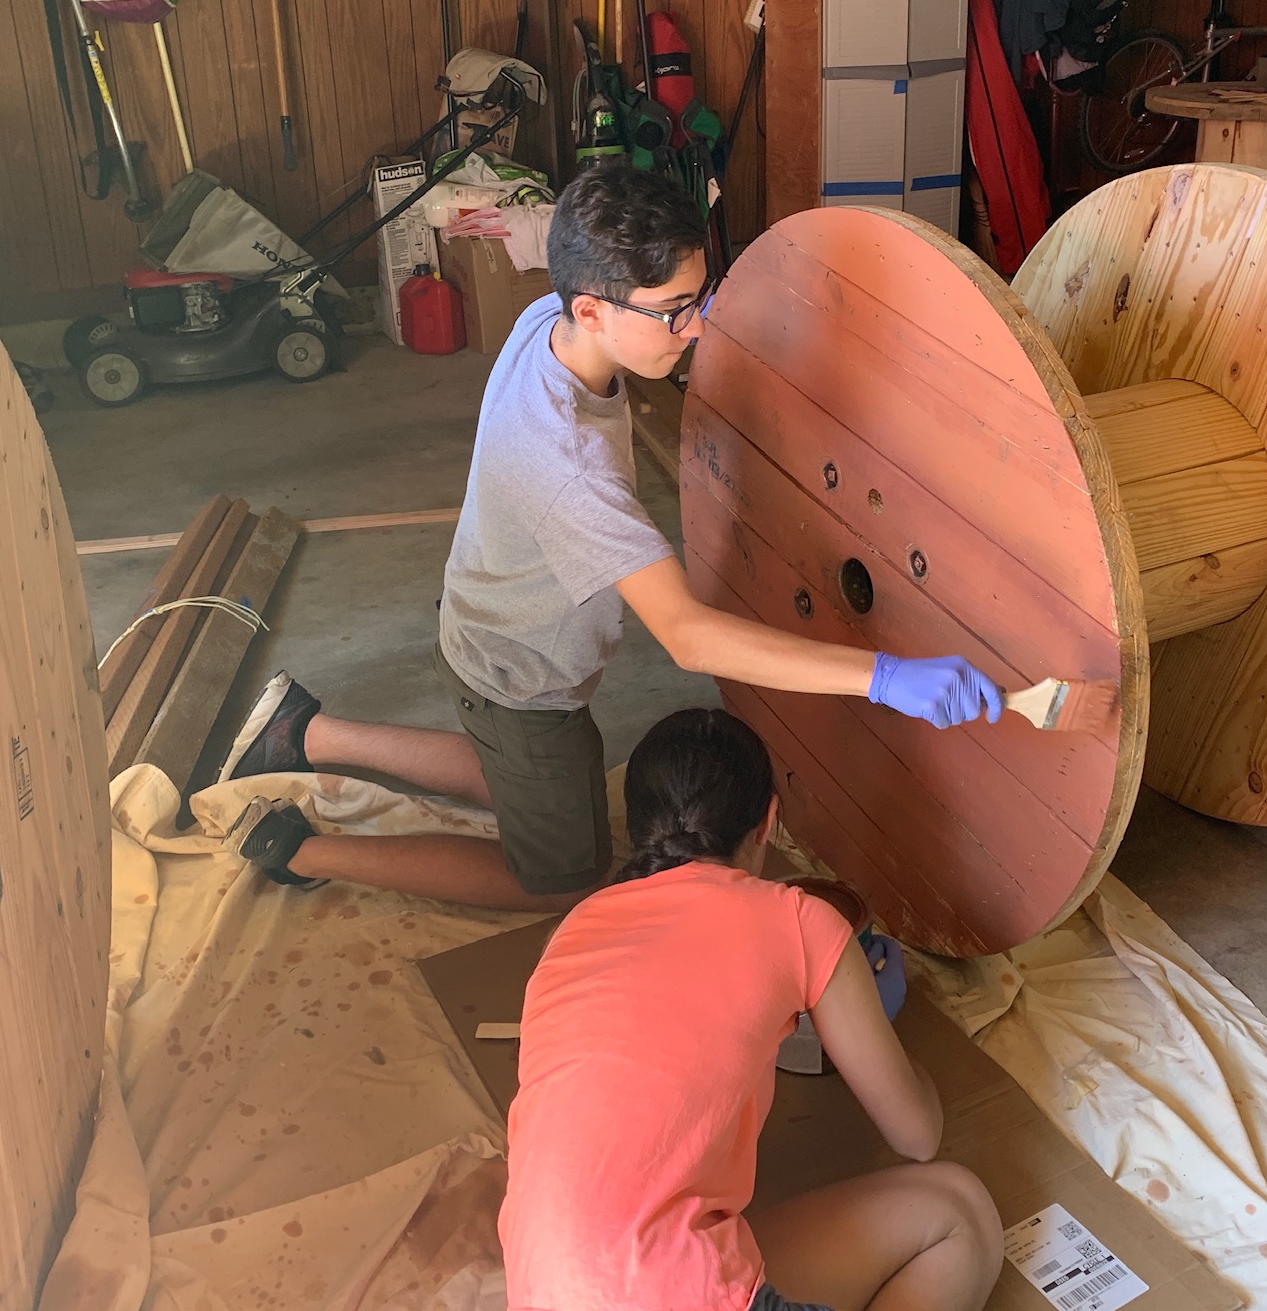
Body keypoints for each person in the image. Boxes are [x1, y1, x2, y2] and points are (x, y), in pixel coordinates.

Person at [224, 163, 1004, 910]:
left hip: (488, 626)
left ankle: (305, 731)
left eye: (700, 296)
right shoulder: (568, 468)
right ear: (593, 309)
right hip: (520, 678)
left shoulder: (548, 321)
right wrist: (882, 675)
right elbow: (688, 636)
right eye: (674, 310)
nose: (696, 328)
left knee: (524, 775)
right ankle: (297, 849)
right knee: (563, 878)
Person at [500, 708, 1004, 1311]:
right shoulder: (799, 920)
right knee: (961, 1209)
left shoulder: (573, 928)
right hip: (676, 1294)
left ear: (637, 826)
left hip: (545, 1289)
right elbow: (918, 1137)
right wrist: (881, 1026)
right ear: (769, 821)